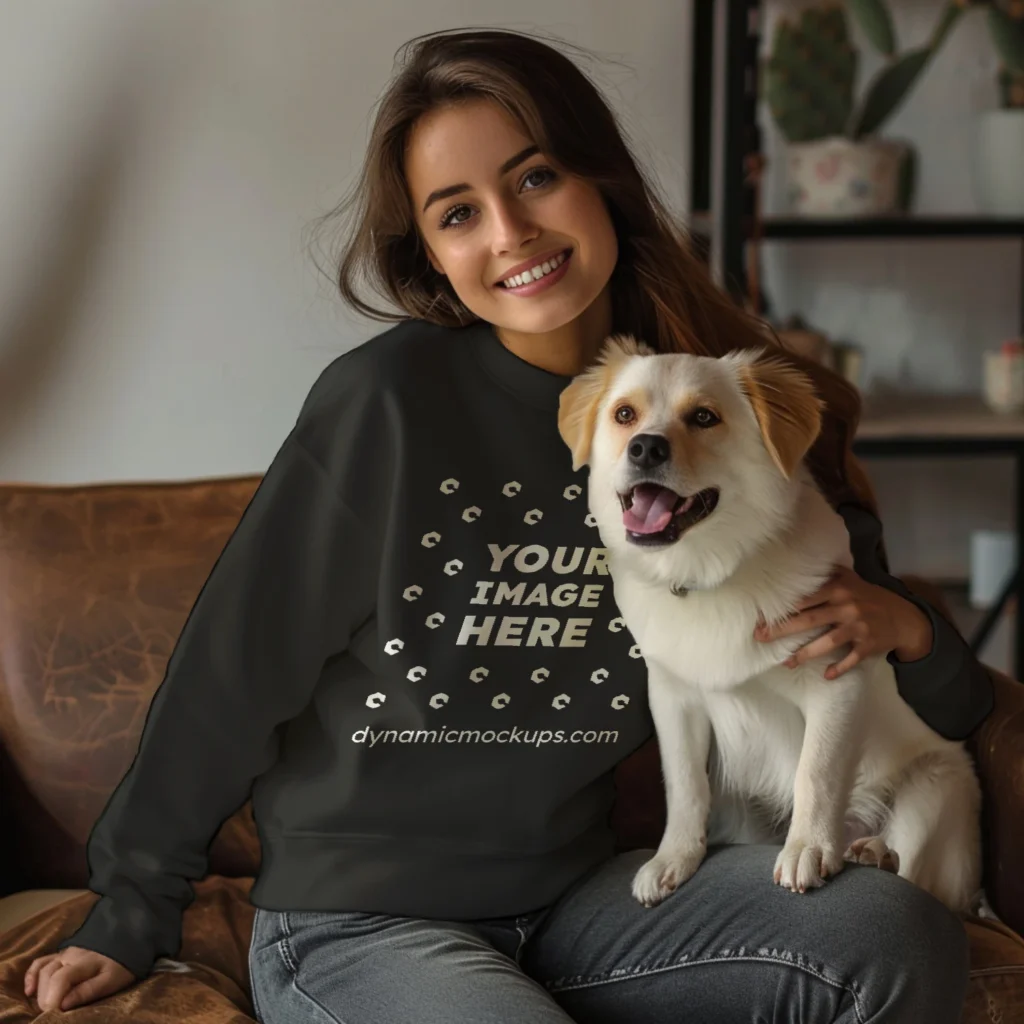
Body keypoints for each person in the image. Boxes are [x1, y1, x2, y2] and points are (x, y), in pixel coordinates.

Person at [24, 27, 993, 1023]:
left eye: (534, 178)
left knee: (885, 935)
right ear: (436, 259)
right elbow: (232, 669)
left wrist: (914, 634)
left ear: (600, 179)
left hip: (580, 902)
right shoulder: (387, 405)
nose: (509, 232)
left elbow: (909, 675)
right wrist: (129, 910)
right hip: (361, 920)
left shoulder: (722, 407)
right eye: (458, 213)